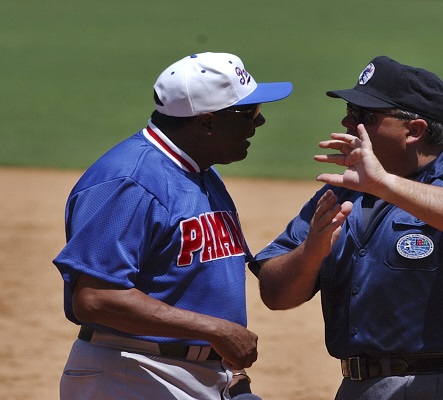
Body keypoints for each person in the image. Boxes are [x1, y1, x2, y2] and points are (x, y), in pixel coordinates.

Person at [252, 56, 443, 400]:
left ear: (414, 130)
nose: (346, 120)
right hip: (362, 387)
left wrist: (385, 184)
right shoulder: (342, 193)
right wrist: (310, 252)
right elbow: (275, 293)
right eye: (349, 109)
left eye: (364, 116)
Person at [53, 52, 292, 400]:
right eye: (248, 113)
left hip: (194, 374)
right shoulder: (130, 182)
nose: (260, 122)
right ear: (206, 123)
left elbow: (205, 284)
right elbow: (94, 299)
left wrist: (229, 372)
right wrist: (214, 331)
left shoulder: (201, 173)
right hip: (133, 374)